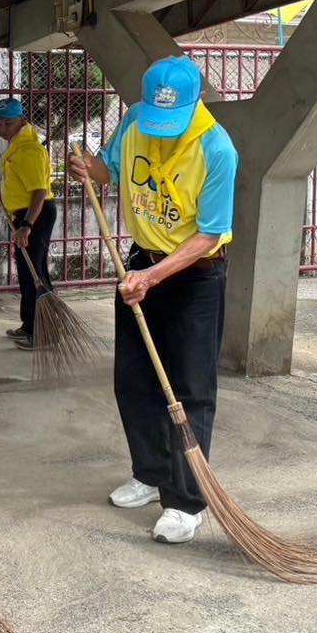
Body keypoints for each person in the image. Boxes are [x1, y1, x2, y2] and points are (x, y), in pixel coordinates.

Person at [66, 56, 238, 545]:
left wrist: (154, 276)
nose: (160, 130)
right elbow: (109, 169)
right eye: (155, 119)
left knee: (189, 390)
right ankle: (150, 472)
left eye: (171, 121)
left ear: (194, 105)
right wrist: (88, 168)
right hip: (140, 266)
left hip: (193, 275)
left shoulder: (216, 148)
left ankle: (186, 501)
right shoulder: (136, 121)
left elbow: (209, 235)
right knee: (135, 380)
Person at [0, 96, 56, 350]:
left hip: (35, 216)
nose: (2, 128)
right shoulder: (17, 147)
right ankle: (29, 325)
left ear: (22, 120)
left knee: (34, 274)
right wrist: (5, 196)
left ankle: (43, 332)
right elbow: (22, 184)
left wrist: (27, 225)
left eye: (7, 123)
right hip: (24, 214)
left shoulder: (29, 150)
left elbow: (40, 192)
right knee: (29, 273)